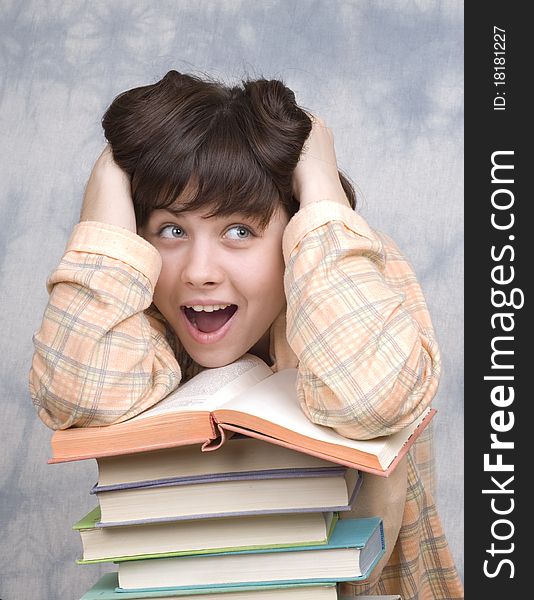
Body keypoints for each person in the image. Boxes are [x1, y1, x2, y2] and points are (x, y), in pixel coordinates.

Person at [29, 71, 463, 599]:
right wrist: (106, 204)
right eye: (171, 230)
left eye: (240, 231)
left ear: (296, 230)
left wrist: (323, 193)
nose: (199, 271)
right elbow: (78, 396)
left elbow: (369, 399)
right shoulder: (134, 302)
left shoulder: (344, 268)